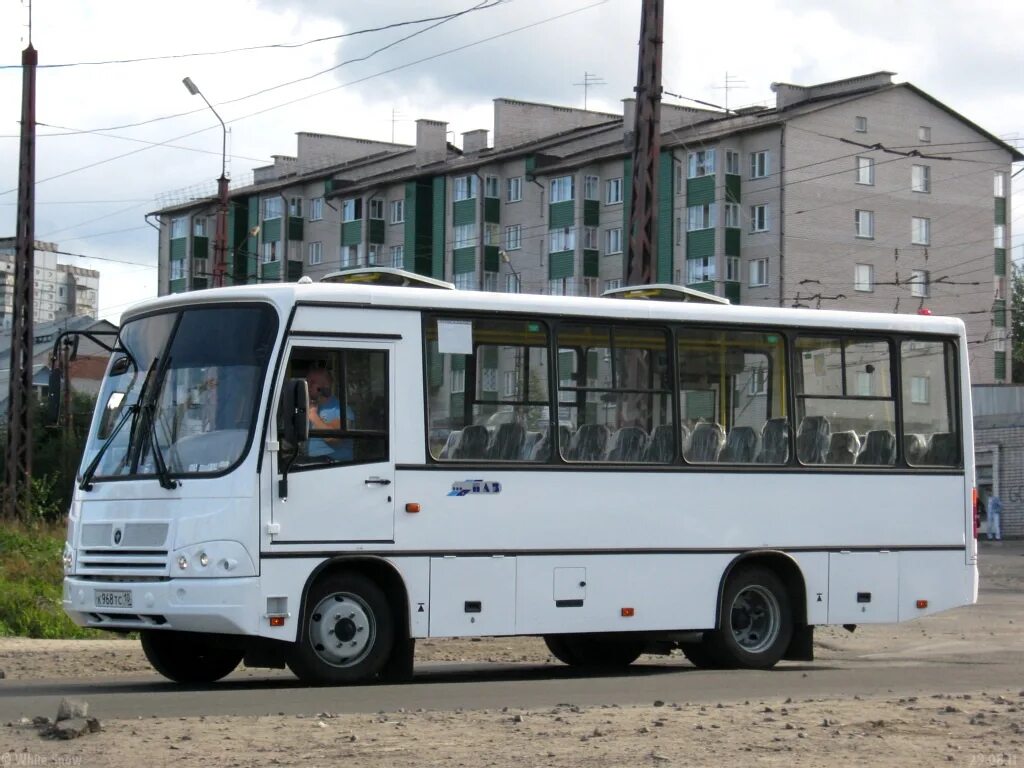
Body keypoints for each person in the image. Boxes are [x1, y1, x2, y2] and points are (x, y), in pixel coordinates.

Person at [305, 367, 354, 461]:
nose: (308, 386)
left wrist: (313, 416)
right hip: (309, 464)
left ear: (325, 386)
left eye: (313, 382)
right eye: (307, 382)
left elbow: (333, 438)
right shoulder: (308, 407)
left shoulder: (343, 410)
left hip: (333, 466)